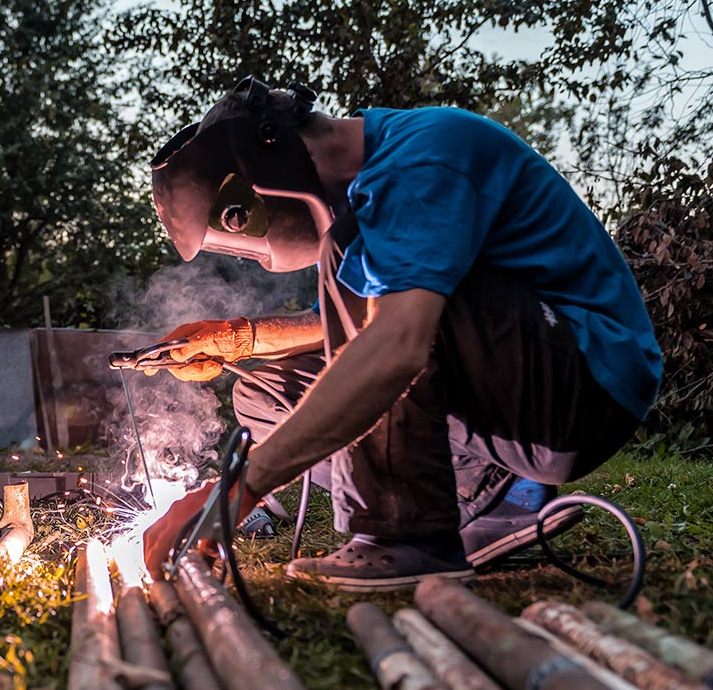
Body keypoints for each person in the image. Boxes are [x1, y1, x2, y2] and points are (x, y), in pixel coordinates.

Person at [142, 76, 662, 590]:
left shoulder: (421, 158)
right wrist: (235, 339)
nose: (249, 244)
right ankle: (480, 501)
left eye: (238, 222)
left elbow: (393, 342)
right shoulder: (373, 201)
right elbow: (354, 329)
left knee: (362, 275)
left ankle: (412, 535)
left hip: (585, 386)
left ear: (259, 162)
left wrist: (242, 485)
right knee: (264, 395)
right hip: (520, 378)